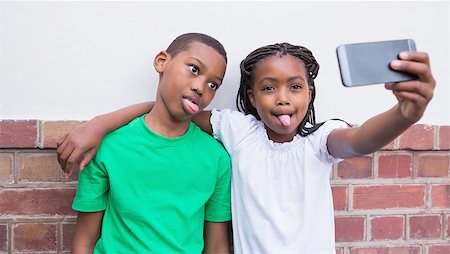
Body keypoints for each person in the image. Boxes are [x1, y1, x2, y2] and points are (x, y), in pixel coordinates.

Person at [59, 42, 435, 253]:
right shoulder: (238, 132)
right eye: (269, 88)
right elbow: (176, 111)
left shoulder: (321, 140)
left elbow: (362, 139)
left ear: (310, 92)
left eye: (295, 87)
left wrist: (407, 112)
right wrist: (100, 124)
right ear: (251, 98)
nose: (283, 99)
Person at [68, 33, 232, 253]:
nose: (201, 87)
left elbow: (217, 247)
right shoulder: (109, 146)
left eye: (213, 84)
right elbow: (83, 243)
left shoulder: (216, 158)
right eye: (194, 69)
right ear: (162, 62)